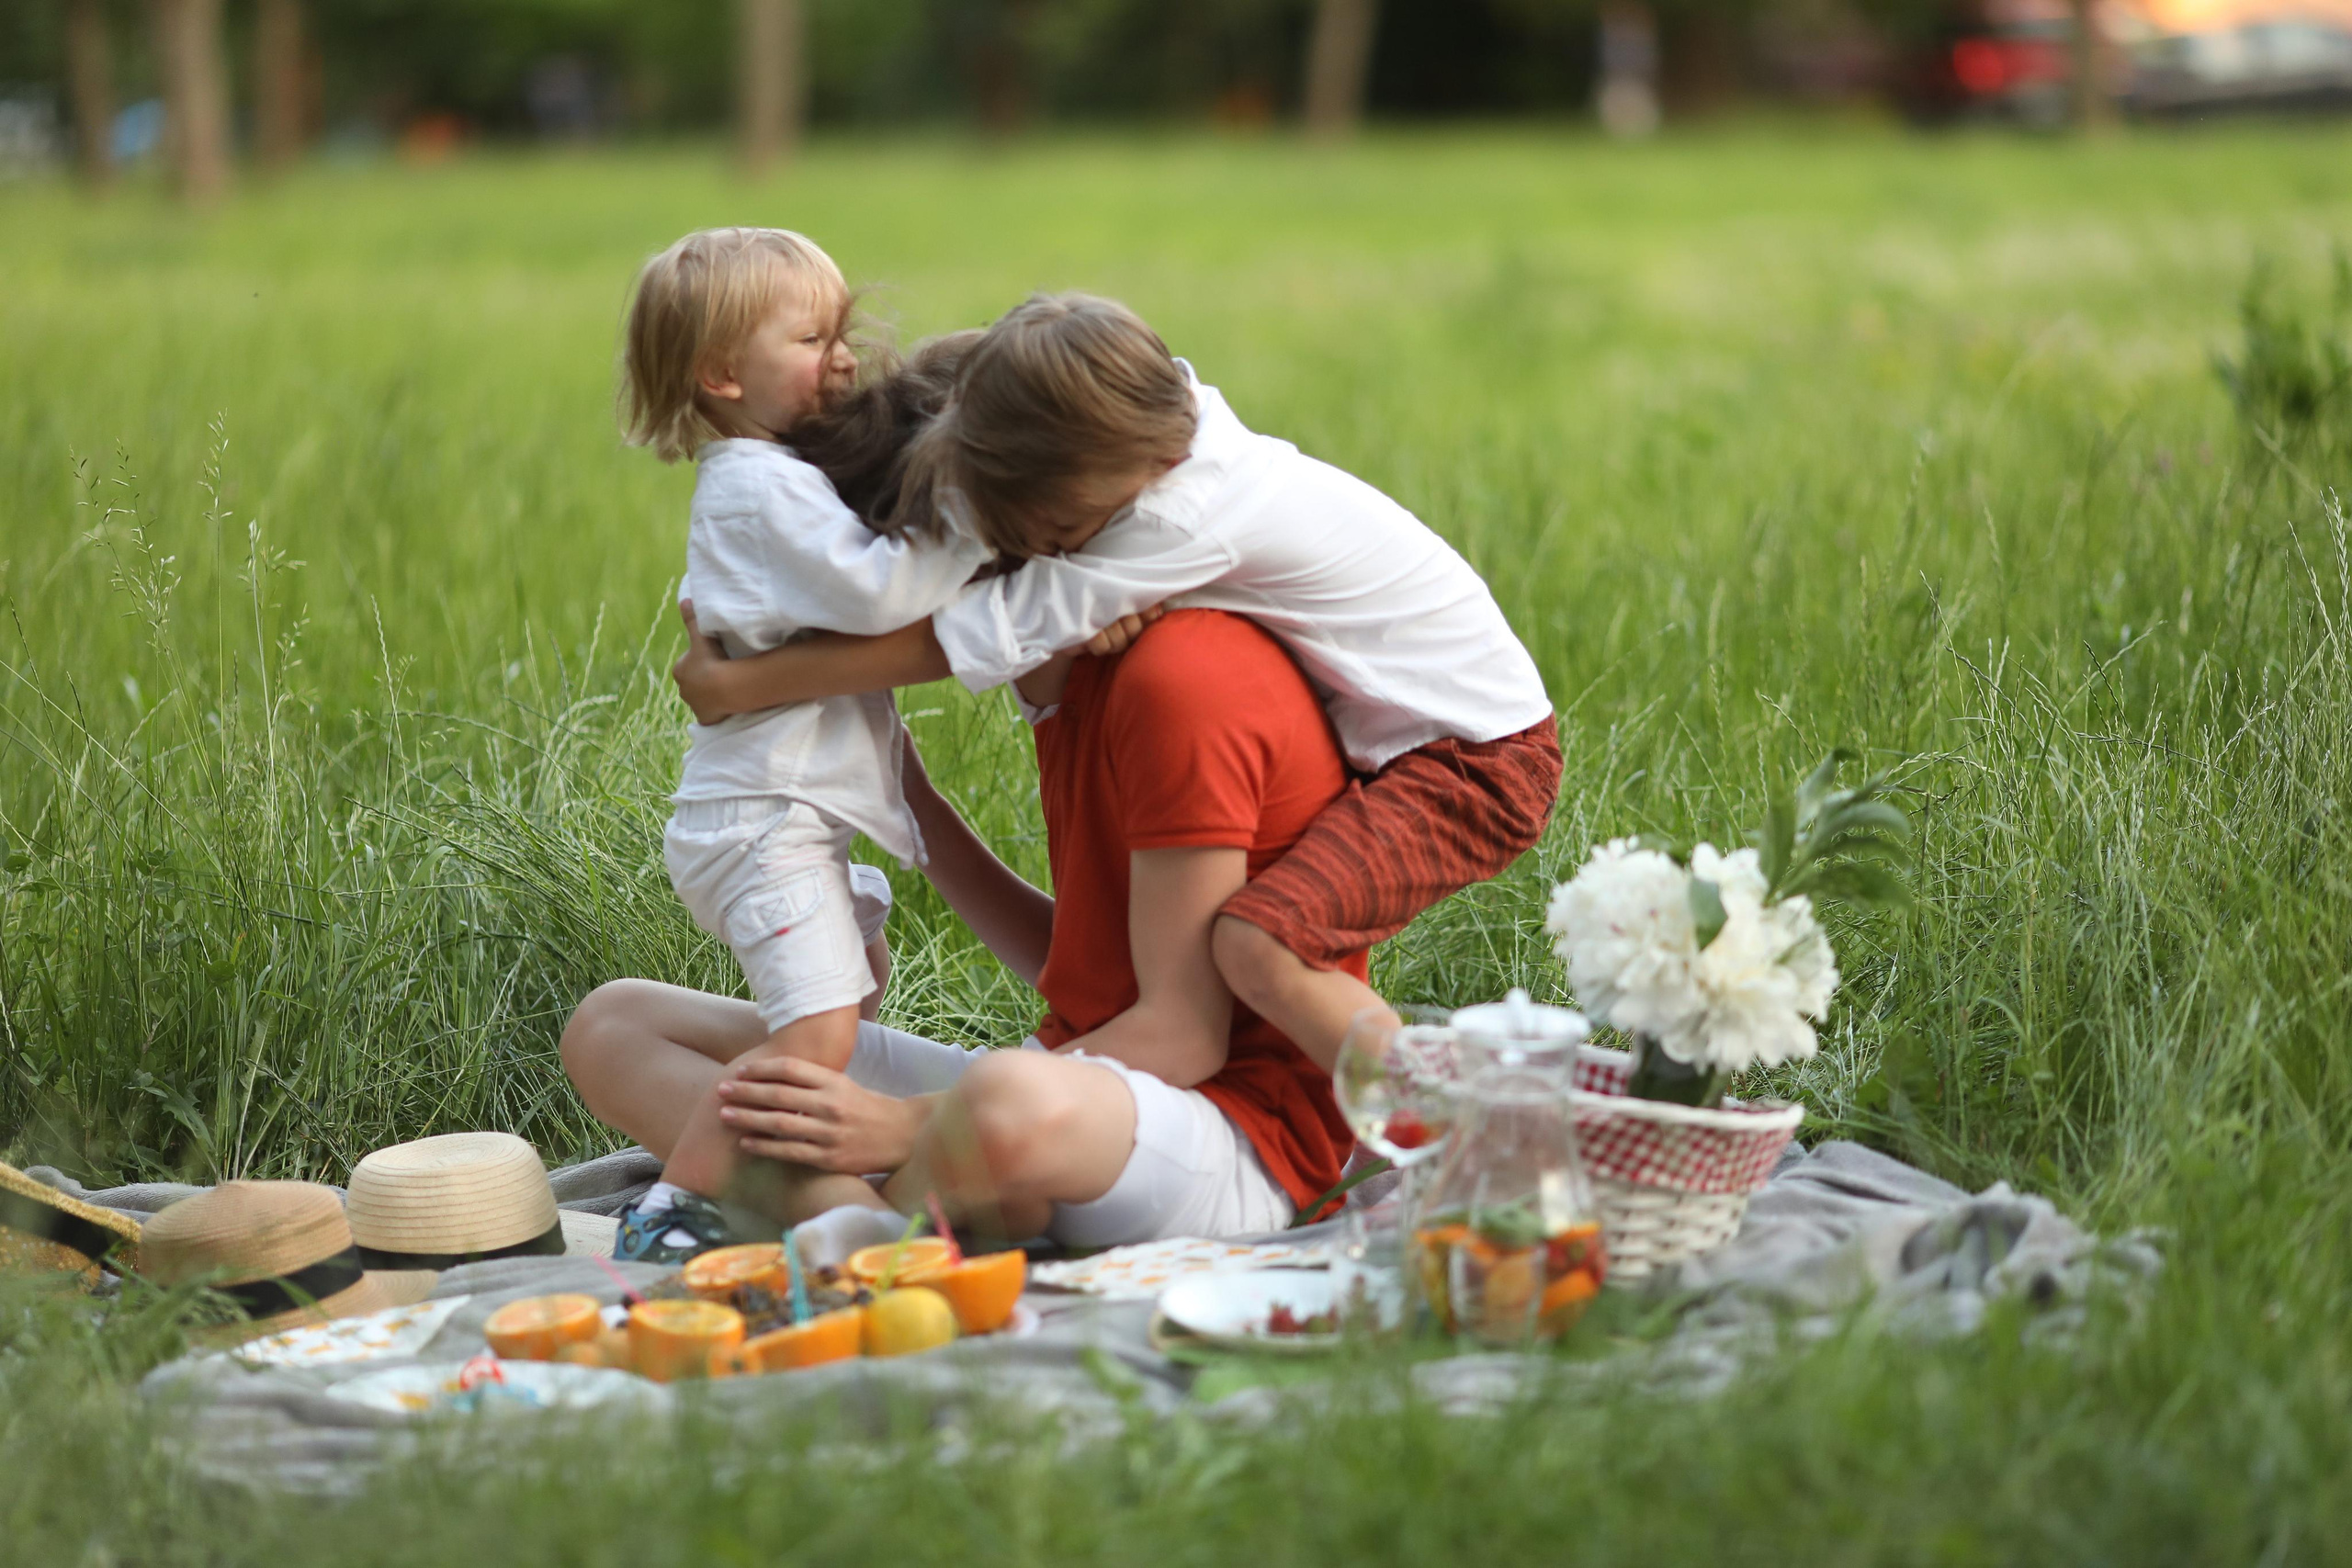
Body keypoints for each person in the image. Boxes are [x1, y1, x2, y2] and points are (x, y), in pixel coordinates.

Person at [673, 292, 1563, 1078]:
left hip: (1473, 759)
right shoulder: (1158, 423)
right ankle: (1421, 1129)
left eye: (1067, 528)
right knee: (1249, 942)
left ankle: (1450, 1137)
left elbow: (993, 627)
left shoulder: (1182, 518)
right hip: (1431, 735)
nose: (1064, 550)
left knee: (1259, 942)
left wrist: (745, 686)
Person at [561, 607, 1359, 1245]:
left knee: (1006, 1096)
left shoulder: (1177, 682)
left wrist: (900, 1126)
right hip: (1079, 1089)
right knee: (616, 1023)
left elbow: (1184, 1038)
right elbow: (1098, 972)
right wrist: (907, 797)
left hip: (1232, 1140)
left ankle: (874, 1221)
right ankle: (888, 1214)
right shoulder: (1071, 686)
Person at [606, 227, 999, 1261]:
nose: (840, 357)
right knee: (819, 1039)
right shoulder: (756, 487)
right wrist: (967, 508)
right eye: (811, 337)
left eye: (840, 333)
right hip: (765, 821)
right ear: (722, 374)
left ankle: (797, 1172)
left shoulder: (768, 479)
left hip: (782, 815)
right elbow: (879, 594)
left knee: (849, 1004)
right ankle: (675, 1207)